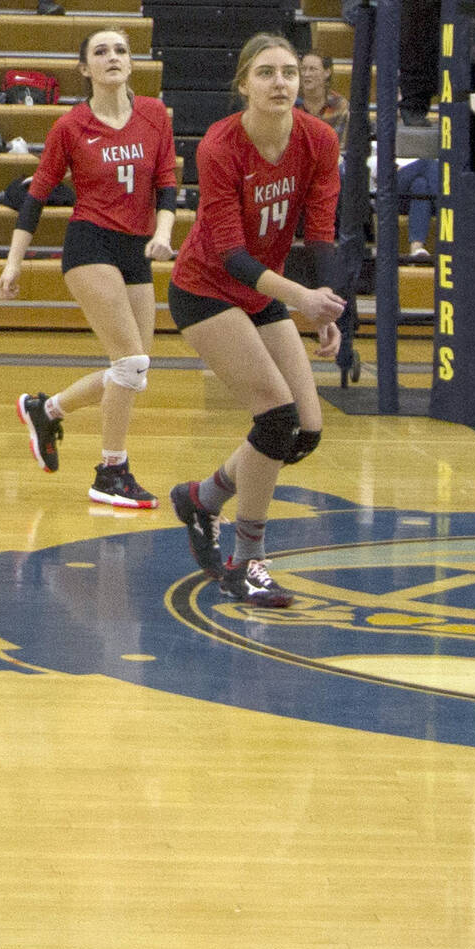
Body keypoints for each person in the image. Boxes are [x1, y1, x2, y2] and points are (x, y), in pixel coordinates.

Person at [168, 34, 345, 607]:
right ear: (243, 84)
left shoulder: (318, 139)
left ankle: (202, 497)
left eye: (289, 72)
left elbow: (319, 233)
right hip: (207, 289)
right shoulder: (220, 146)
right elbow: (230, 255)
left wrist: (328, 306)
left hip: (262, 289)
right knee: (275, 419)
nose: (280, 83)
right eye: (266, 73)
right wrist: (300, 299)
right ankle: (247, 561)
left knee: (305, 432)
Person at [0, 28, 178, 507]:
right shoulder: (70, 126)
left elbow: (167, 186)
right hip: (89, 244)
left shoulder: (155, 115)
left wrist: (163, 235)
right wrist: (14, 263)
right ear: (85, 69)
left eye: (120, 50)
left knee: (134, 372)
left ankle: (47, 409)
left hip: (137, 247)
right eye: (101, 52)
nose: (113, 57)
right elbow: (35, 197)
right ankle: (110, 472)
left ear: (131, 64)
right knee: (130, 362)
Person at [298, 50, 350, 139]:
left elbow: (341, 143)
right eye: (303, 69)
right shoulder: (292, 103)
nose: (306, 74)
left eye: (312, 69)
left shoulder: (339, 105)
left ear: (327, 72)